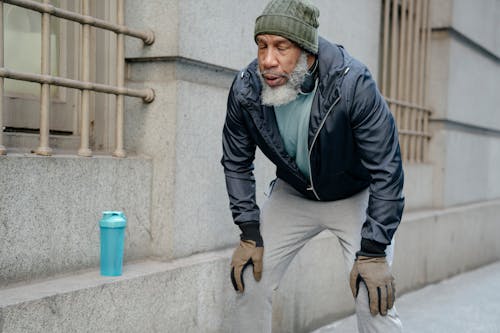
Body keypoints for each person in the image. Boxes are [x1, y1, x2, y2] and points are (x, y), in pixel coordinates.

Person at [221, 0, 404, 332]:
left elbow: (387, 168)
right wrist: (248, 230)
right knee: (249, 277)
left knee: (371, 292)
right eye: (262, 46)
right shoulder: (247, 88)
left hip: (353, 194)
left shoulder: (352, 84)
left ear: (308, 51)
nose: (267, 60)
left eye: (281, 47)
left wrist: (375, 250)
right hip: (294, 193)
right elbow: (236, 159)